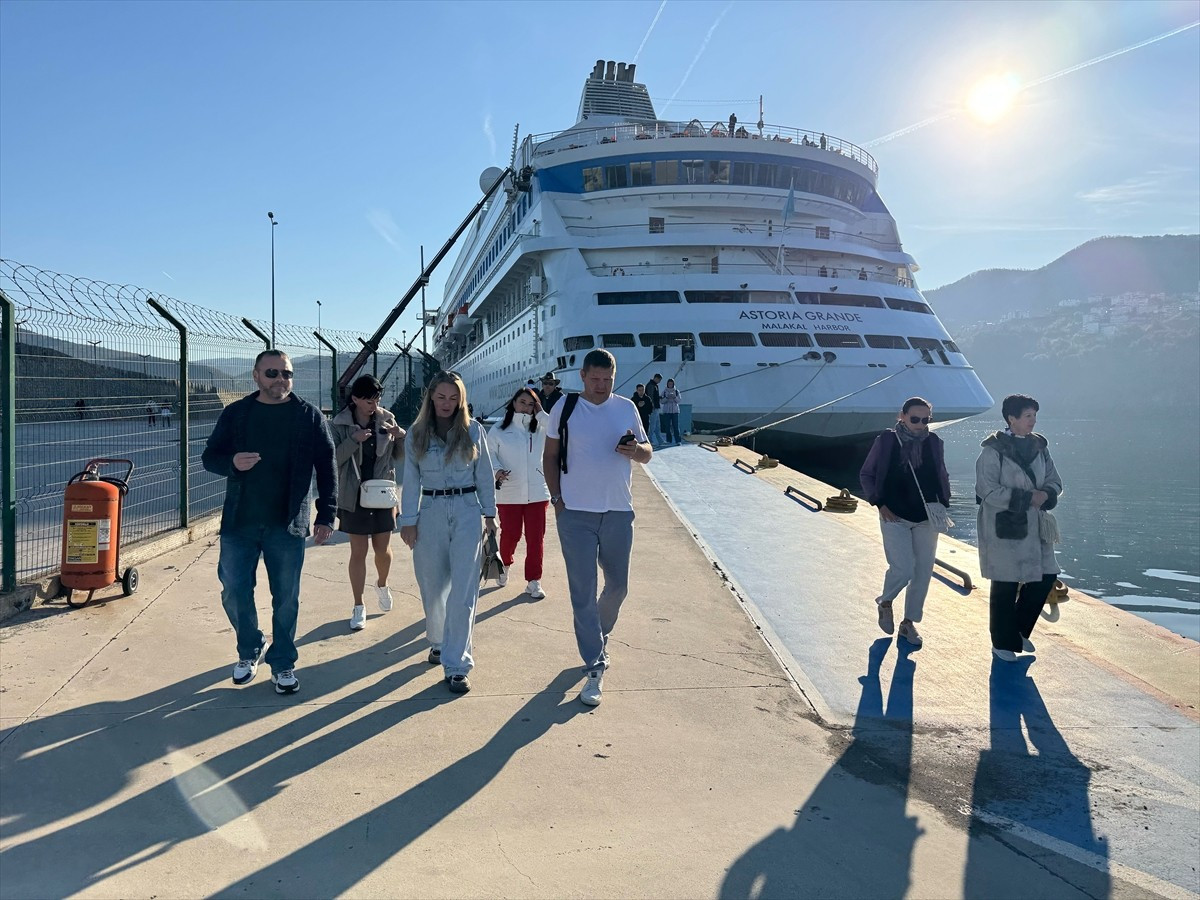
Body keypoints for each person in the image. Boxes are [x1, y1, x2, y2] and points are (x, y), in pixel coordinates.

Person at [201, 350, 336, 695]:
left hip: (286, 523)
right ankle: (250, 647)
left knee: (286, 597)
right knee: (234, 591)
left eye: (286, 373)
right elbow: (210, 457)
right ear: (256, 376)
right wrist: (232, 462)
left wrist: (326, 513)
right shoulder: (236, 413)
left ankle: (283, 662)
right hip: (240, 522)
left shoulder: (308, 416)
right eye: (272, 373)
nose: (280, 379)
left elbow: (327, 466)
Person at [543, 349, 652, 706]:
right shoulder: (565, 408)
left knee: (618, 586)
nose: (602, 385)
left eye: (608, 379)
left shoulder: (626, 407)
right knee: (583, 591)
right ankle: (594, 663)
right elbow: (550, 456)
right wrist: (557, 500)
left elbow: (647, 452)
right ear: (583, 376)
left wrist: (635, 451)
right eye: (595, 379)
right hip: (575, 513)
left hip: (619, 510)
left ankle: (597, 635)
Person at [399, 372, 497, 694]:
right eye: (441, 397)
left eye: (454, 398)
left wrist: (490, 515)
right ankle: (439, 640)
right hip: (430, 511)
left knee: (464, 590)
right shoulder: (416, 434)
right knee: (432, 584)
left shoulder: (473, 430)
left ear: (461, 400)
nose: (447, 403)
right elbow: (410, 480)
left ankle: (457, 665)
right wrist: (408, 520)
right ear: (431, 397)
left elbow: (485, 475)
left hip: (467, 509)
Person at [976, 394, 1064, 662]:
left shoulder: (1040, 447)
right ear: (1011, 418)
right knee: (1005, 582)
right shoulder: (992, 450)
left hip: (1036, 524)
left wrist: (1046, 494)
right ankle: (1001, 643)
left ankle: (1018, 630)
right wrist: (1027, 498)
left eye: (1034, 415)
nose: (1033, 421)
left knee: (1047, 575)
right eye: (1027, 416)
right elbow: (986, 489)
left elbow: (1054, 480)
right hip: (1004, 524)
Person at [859, 397, 951, 647]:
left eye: (925, 420)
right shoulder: (887, 440)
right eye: (915, 419)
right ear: (902, 416)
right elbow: (867, 474)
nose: (920, 425)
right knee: (903, 568)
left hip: (927, 516)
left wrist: (944, 501)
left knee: (922, 573)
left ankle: (908, 623)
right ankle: (885, 601)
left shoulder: (934, 442)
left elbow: (941, 473)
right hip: (894, 514)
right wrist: (879, 503)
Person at [330, 375, 406, 632]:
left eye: (377, 399)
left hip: (382, 493)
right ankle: (358, 605)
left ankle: (382, 584)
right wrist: (354, 440)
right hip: (353, 495)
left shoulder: (387, 418)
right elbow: (333, 459)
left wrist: (401, 437)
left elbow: (400, 457)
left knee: (383, 550)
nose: (374, 405)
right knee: (358, 551)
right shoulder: (339, 424)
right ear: (355, 399)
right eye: (369, 400)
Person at [487, 387, 551, 599]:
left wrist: (541, 414)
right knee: (511, 534)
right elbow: (489, 455)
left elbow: (559, 428)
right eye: (522, 402)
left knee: (536, 538)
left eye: (531, 404)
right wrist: (497, 471)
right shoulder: (499, 429)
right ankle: (504, 564)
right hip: (510, 492)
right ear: (513, 402)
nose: (525, 407)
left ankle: (534, 581)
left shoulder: (541, 428)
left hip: (537, 492)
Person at [660, 378, 682, 445]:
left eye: (671, 384)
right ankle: (668, 440)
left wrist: (674, 397)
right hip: (667, 411)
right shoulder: (664, 391)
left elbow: (679, 400)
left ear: (673, 384)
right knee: (667, 426)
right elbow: (661, 401)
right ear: (667, 384)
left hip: (675, 411)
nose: (670, 385)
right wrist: (667, 398)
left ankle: (678, 440)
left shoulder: (677, 391)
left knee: (676, 426)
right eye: (669, 384)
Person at [646, 373, 664, 445]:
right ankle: (649, 440)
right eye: (659, 380)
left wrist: (659, 397)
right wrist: (652, 406)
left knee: (657, 425)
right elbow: (650, 397)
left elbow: (654, 396)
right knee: (652, 425)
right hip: (653, 408)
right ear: (656, 378)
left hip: (656, 407)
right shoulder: (651, 385)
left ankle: (660, 440)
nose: (659, 382)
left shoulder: (655, 385)